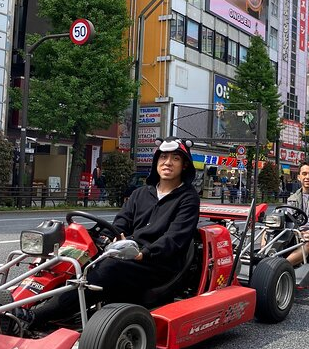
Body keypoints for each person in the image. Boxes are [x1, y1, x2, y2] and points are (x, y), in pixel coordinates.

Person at [18, 136, 201, 327]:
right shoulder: (141, 193)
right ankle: (20, 302)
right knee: (70, 260)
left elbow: (175, 238)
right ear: (156, 161)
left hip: (158, 263)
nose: (168, 163)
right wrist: (105, 237)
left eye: (175, 159)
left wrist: (142, 254)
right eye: (163, 157)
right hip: (127, 252)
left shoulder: (188, 198)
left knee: (108, 268)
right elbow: (121, 223)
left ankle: (37, 317)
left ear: (185, 165)